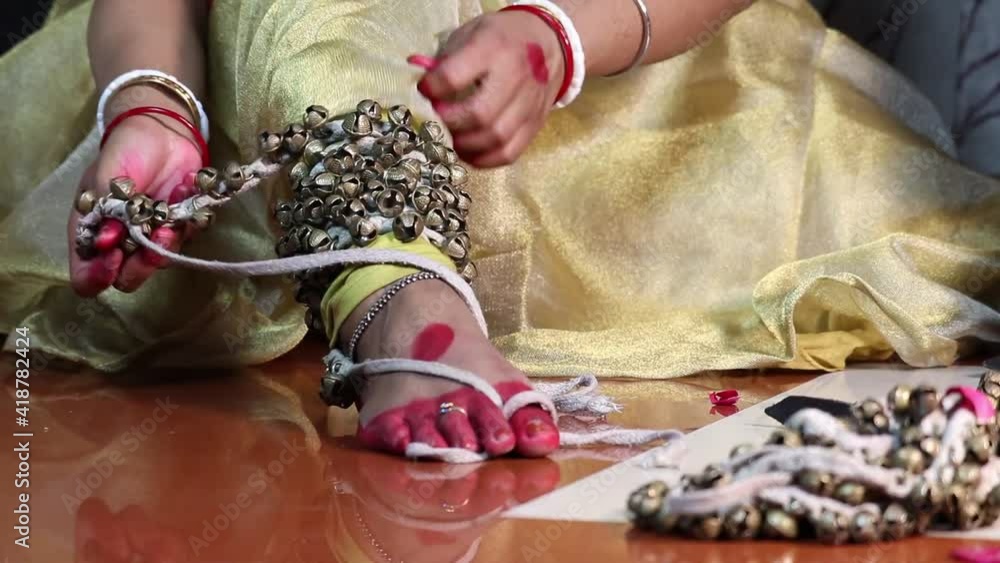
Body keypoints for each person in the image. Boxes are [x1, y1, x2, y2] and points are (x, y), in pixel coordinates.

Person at [1, 0, 998, 460]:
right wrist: (152, 106)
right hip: (249, 76)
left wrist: (556, 36)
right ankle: (397, 292)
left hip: (607, 86)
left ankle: (392, 289)